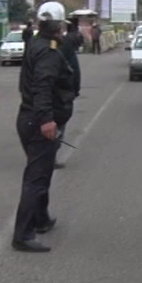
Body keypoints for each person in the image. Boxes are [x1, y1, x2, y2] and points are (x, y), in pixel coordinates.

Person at [11, 1, 77, 253]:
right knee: (36, 178)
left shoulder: (36, 44)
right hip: (38, 121)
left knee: (42, 172)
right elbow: (43, 85)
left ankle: (41, 218)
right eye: (60, 24)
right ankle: (23, 234)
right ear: (57, 25)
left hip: (28, 117)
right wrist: (47, 119)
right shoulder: (48, 52)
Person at [52, 14, 84, 170]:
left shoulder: (37, 44)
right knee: (59, 123)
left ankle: (42, 154)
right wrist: (75, 89)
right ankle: (50, 155)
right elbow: (74, 70)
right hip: (61, 92)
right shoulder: (66, 45)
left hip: (40, 92)